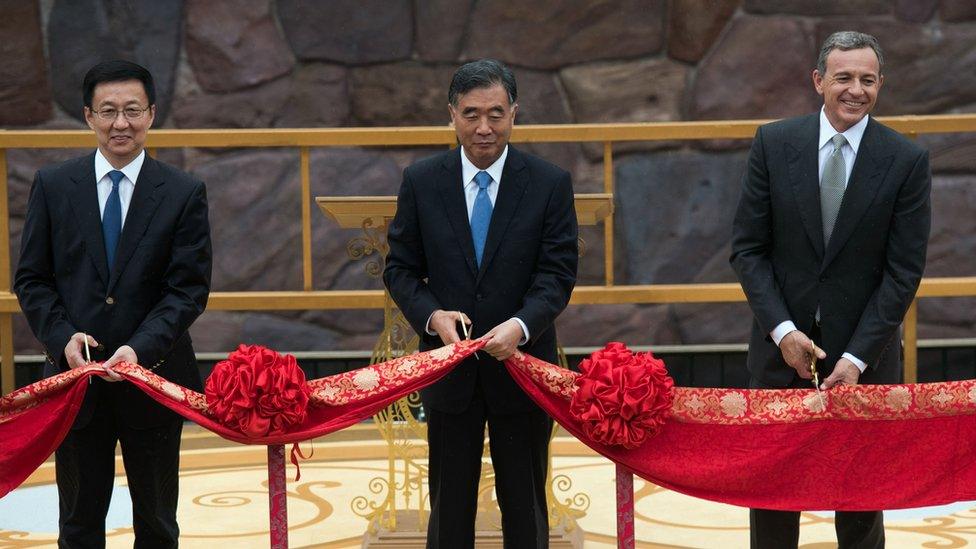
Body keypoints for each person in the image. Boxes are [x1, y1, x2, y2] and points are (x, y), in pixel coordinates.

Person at [730, 31, 931, 548]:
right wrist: (783, 331)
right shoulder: (774, 144)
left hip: (865, 361)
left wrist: (858, 358)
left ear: (881, 84)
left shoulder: (906, 160)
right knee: (774, 501)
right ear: (819, 81)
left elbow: (902, 272)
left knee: (861, 506)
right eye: (843, 77)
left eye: (867, 79)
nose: (855, 90)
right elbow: (748, 250)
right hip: (781, 354)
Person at [14, 60, 212, 547]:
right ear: (88, 116)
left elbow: (187, 289)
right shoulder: (55, 186)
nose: (120, 123)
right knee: (78, 525)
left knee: (158, 525)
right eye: (108, 111)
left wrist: (139, 349)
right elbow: (32, 279)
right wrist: (63, 339)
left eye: (131, 110)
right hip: (76, 386)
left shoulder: (183, 192)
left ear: (151, 114)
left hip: (154, 379)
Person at [384, 59, 578, 548]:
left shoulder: (549, 183)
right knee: (449, 511)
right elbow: (400, 269)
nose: (484, 128)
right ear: (451, 115)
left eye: (496, 113)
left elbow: (557, 275)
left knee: (526, 509)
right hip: (450, 372)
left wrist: (521, 326)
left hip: (523, 366)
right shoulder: (422, 181)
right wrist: (433, 316)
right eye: (471, 114)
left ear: (515, 113)